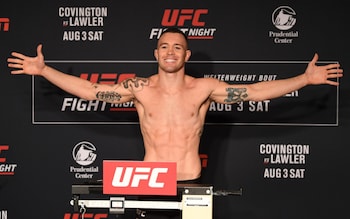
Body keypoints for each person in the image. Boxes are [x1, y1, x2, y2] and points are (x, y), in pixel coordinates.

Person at [7, 27, 343, 218]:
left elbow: (253, 92)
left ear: (187, 55)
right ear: (156, 54)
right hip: (149, 184)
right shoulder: (138, 88)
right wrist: (45, 70)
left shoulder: (205, 89)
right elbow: (94, 91)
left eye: (178, 47)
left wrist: (304, 79)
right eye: (164, 46)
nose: (171, 51)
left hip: (192, 184)